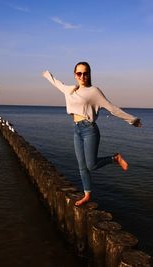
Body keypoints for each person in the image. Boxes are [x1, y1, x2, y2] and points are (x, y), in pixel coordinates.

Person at [42, 62, 142, 206]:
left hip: (89, 130)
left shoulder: (94, 91)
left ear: (89, 75)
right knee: (82, 166)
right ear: (75, 75)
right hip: (76, 129)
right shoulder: (69, 90)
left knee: (91, 165)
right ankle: (87, 194)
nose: (82, 76)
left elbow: (112, 108)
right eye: (79, 73)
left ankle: (115, 158)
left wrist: (132, 120)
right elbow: (56, 83)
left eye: (85, 73)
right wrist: (45, 73)